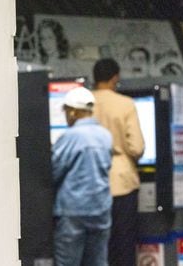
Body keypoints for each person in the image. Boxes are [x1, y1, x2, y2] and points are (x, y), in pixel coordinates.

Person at [92, 58, 145, 266]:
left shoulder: (83, 103)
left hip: (91, 181)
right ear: (115, 78)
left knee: (96, 245)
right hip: (121, 183)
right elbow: (137, 147)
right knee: (123, 244)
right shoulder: (125, 104)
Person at [52, 87, 113, 266]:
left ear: (72, 112)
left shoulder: (71, 137)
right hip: (101, 209)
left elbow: (54, 170)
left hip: (73, 212)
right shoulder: (105, 136)